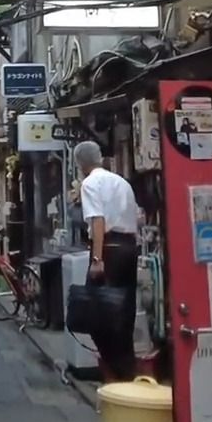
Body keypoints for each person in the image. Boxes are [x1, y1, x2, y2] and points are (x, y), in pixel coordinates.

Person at [74, 141, 140, 382]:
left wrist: (97, 259)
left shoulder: (90, 183)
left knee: (97, 316)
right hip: (129, 248)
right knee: (124, 314)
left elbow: (98, 221)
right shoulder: (122, 182)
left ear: (80, 164)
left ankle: (118, 375)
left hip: (109, 248)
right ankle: (128, 373)